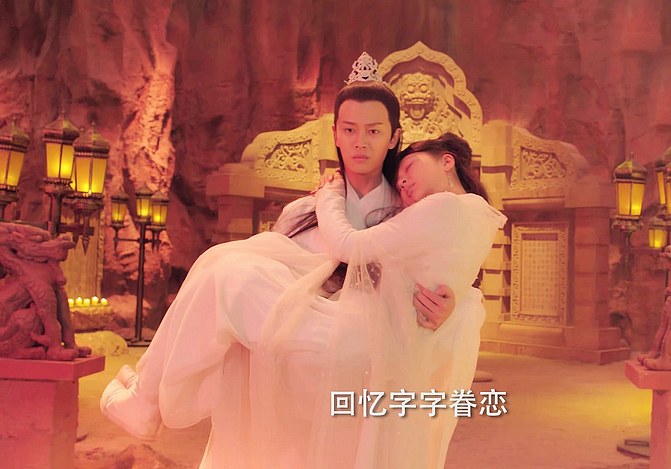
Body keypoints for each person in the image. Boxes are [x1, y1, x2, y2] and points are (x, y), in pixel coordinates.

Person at [99, 54, 484, 467]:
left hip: (360, 362)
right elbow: (267, 275)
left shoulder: (408, 209)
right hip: (289, 368)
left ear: (394, 137)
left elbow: (452, 268)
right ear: (335, 134)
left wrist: (451, 305)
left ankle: (144, 398)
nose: (360, 142)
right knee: (225, 271)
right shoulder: (304, 211)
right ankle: (148, 399)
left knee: (231, 276)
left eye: (374, 131)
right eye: (350, 130)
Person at [249, 132, 506, 468]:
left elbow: (351, 246)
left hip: (389, 341)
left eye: (409, 168)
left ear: (447, 161)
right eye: (398, 182)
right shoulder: (481, 214)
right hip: (410, 347)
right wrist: (454, 305)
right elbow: (453, 281)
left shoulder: (442, 206)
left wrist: (330, 194)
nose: (403, 182)